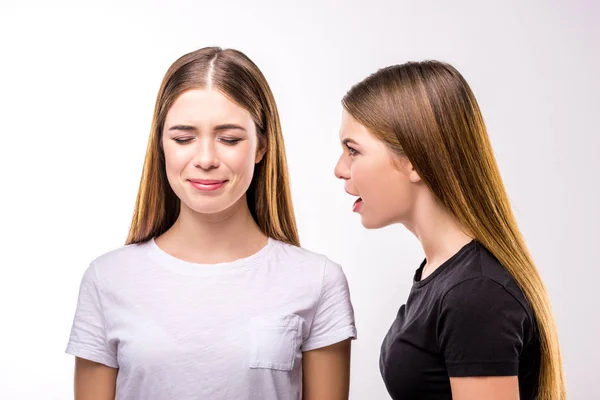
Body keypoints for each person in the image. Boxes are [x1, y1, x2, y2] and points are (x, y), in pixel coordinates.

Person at [66, 47, 356, 400]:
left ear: (262, 146)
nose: (205, 159)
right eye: (183, 138)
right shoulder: (107, 279)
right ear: (161, 145)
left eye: (229, 139)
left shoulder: (317, 281)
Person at [334, 61, 565, 400]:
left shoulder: (476, 292)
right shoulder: (444, 275)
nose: (340, 169)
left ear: (414, 159)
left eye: (352, 150)